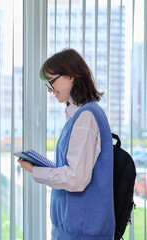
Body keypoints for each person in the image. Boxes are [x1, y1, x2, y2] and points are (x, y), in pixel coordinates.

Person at [18, 48, 114, 240]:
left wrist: (34, 170)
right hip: (73, 230)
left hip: (83, 232)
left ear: (72, 76)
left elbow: (76, 179)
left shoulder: (86, 117)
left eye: (52, 81)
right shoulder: (78, 116)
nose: (49, 89)